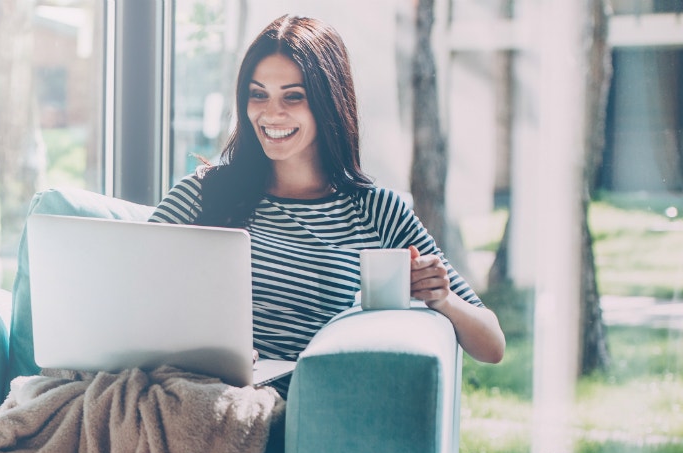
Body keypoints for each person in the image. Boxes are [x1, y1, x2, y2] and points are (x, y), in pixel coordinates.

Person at [150, 14, 505, 372]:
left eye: (294, 97)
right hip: (189, 378)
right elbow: (129, 285)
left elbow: (492, 344)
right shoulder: (201, 191)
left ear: (328, 103)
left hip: (295, 404)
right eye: (259, 95)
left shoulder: (377, 210)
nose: (272, 113)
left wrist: (442, 298)